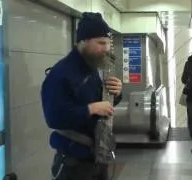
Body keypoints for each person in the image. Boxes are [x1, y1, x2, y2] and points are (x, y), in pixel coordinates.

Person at [41, 12, 122, 180]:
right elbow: (54, 118)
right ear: (83, 41)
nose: (106, 49)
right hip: (73, 165)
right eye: (101, 43)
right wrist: (90, 109)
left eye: (108, 43)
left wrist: (116, 93)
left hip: (96, 158)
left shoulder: (91, 69)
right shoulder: (61, 74)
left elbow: (103, 106)